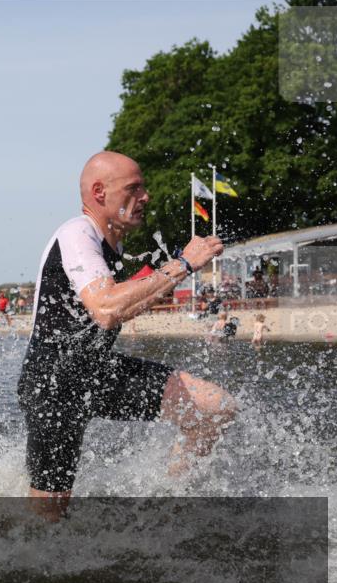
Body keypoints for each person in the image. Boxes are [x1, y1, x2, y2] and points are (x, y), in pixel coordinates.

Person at [16, 151, 236, 517]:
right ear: (99, 193)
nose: (145, 196)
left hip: (97, 371)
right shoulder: (77, 232)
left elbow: (118, 306)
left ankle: (168, 503)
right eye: (134, 188)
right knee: (48, 518)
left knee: (214, 409)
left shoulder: (114, 244)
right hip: (53, 384)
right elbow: (106, 309)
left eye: (144, 187)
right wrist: (182, 265)